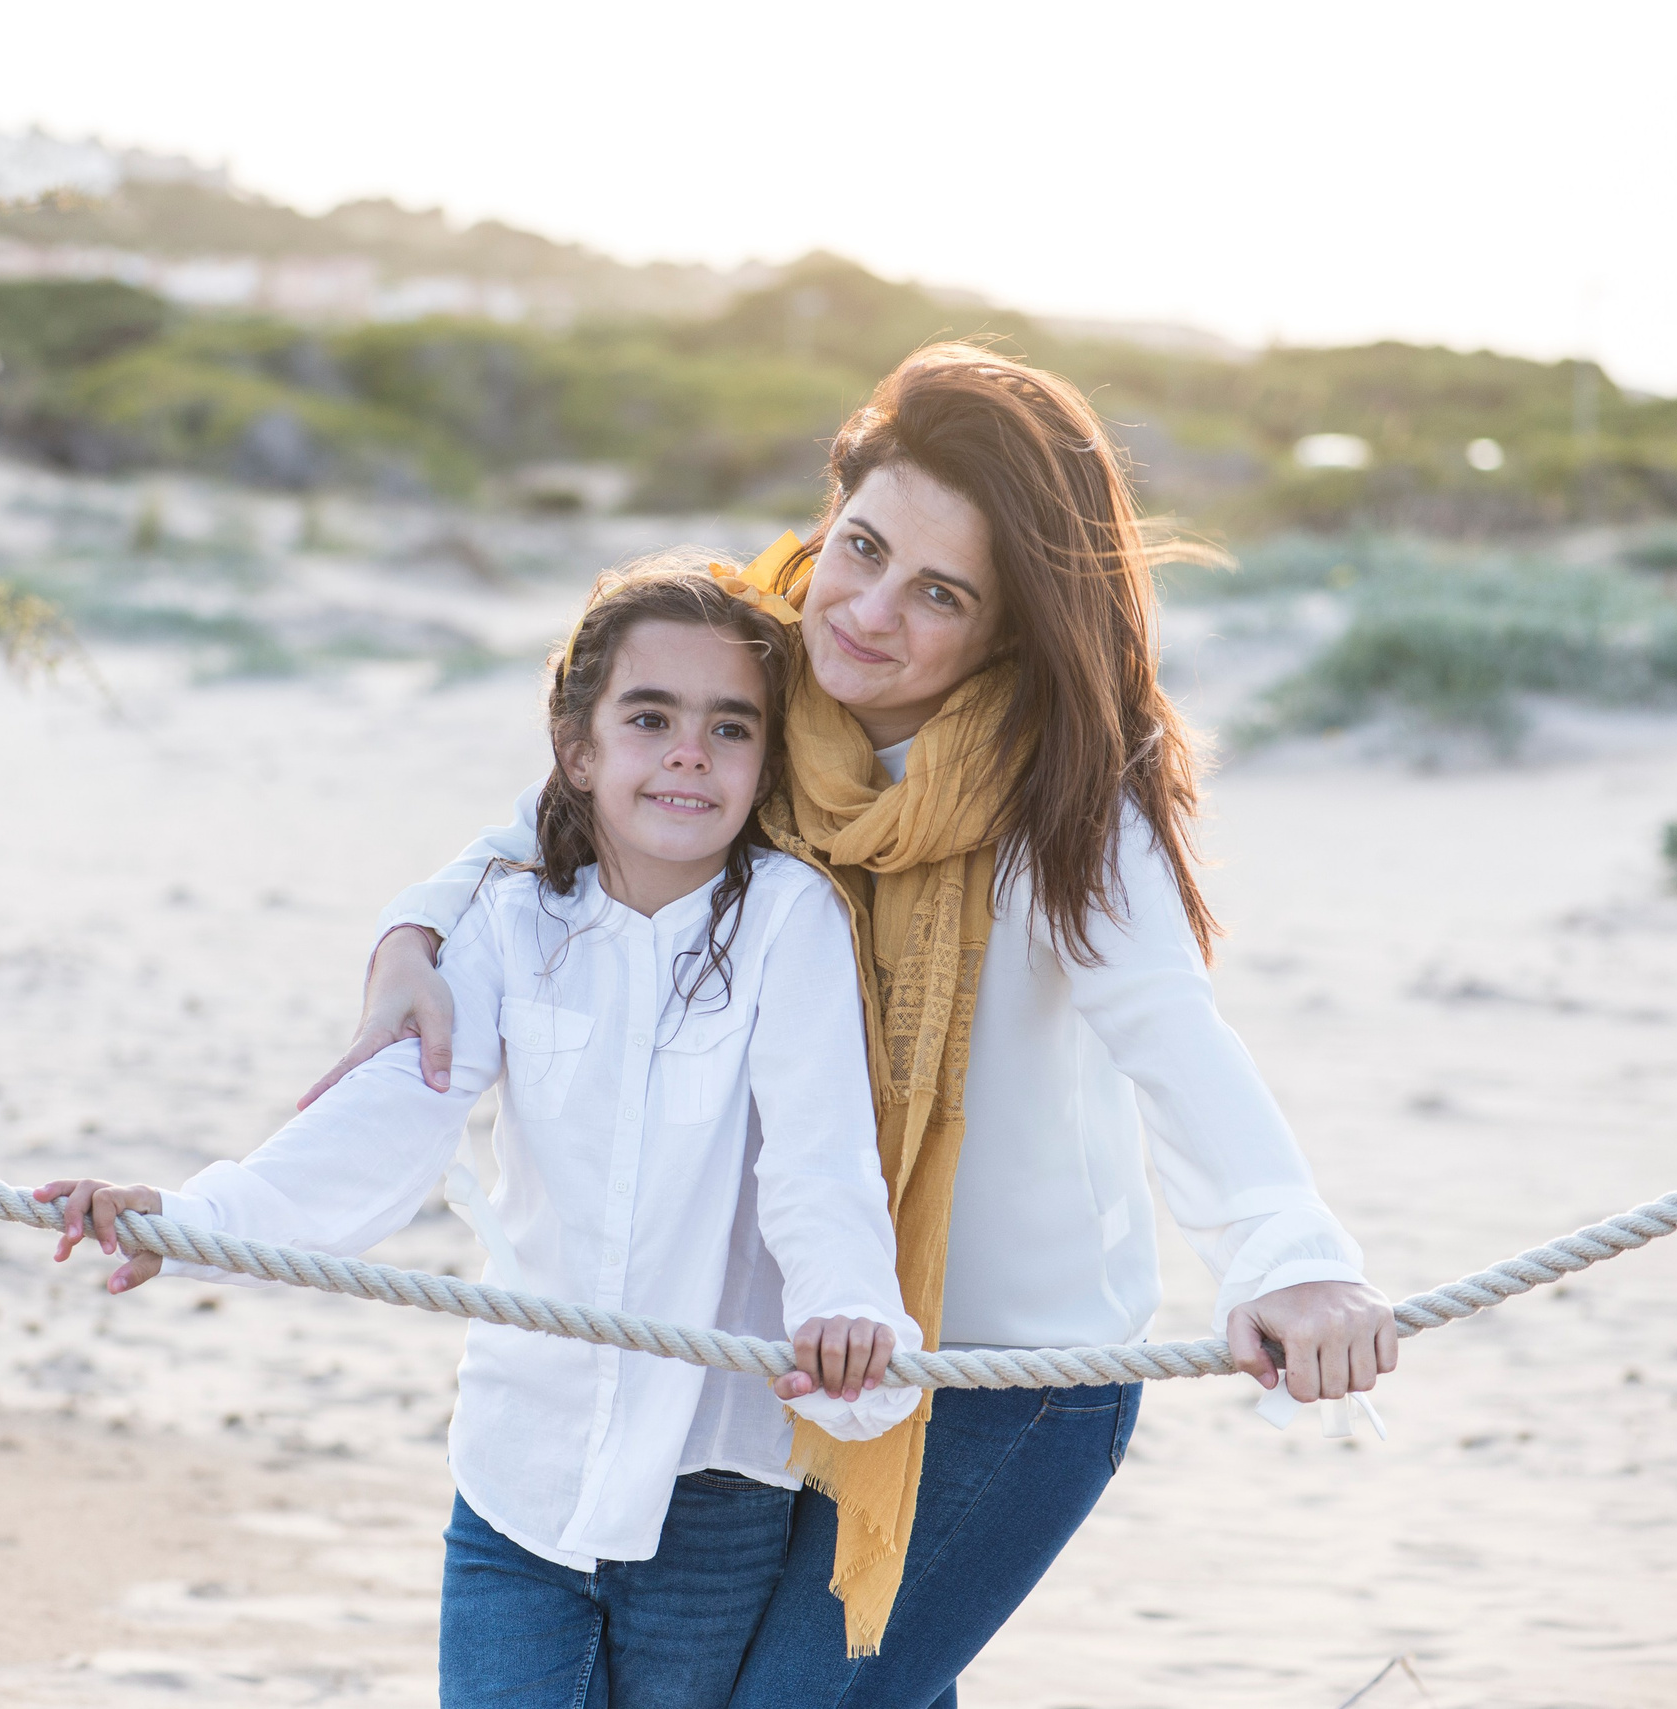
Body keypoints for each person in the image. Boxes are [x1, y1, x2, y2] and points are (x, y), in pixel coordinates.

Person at [304, 346, 1400, 1703]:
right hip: (814, 1350)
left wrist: (1288, 1256)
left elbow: (1176, 1040)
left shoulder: (1064, 796)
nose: (868, 612)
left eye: (938, 594)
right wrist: (413, 932)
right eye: (862, 548)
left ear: (1007, 630)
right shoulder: (760, 684)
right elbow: (568, 814)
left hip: (1012, 1371)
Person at [38, 563, 923, 1709]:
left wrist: (845, 1305)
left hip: (710, 1484)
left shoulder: (787, 921)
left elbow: (817, 1150)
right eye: (648, 718)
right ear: (578, 749)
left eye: (729, 726)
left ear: (767, 756)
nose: (689, 752)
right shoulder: (512, 919)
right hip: (519, 1468)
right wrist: (195, 1220)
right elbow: (393, 1111)